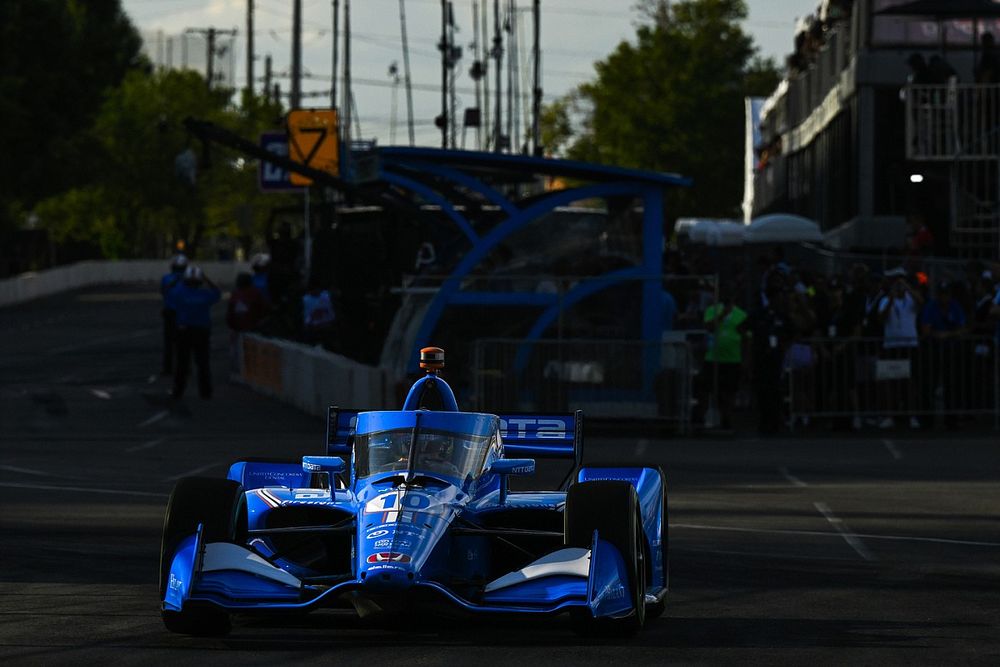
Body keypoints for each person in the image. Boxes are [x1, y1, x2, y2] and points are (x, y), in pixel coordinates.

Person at [878, 273, 923, 429]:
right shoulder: (885, 300)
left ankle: (912, 415)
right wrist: (891, 298)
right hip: (891, 345)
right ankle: (890, 415)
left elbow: (920, 302)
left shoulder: (910, 300)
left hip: (909, 345)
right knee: (891, 381)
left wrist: (907, 288)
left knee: (910, 381)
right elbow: (881, 318)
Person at [169, 266, 222, 400]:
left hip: (184, 331)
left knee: (182, 363)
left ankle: (178, 391)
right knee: (203, 362)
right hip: (201, 331)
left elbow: (167, 291)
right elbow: (217, 292)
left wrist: (179, 279)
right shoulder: (205, 294)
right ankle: (205, 392)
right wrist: (207, 279)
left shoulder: (179, 293)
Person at [920, 281, 967, 429]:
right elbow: (925, 329)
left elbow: (962, 328)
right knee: (930, 382)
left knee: (951, 383)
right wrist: (937, 335)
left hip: (951, 350)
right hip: (932, 349)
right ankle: (927, 419)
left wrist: (947, 334)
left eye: (946, 294)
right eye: (941, 294)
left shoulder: (955, 306)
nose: (944, 298)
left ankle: (951, 418)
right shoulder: (931, 306)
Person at [703, 289, 747, 430]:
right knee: (712, 388)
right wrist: (722, 315)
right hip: (713, 358)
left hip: (733, 359)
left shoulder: (741, 314)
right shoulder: (712, 310)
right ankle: (710, 417)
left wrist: (746, 360)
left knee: (730, 390)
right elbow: (708, 327)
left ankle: (727, 418)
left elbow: (746, 338)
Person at [226, 272, 269, 372]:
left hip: (241, 328)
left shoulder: (236, 294)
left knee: (239, 353)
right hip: (251, 328)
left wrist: (232, 326)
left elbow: (230, 313)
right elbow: (264, 309)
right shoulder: (255, 293)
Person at [159, 254, 188, 375]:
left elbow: (163, 291)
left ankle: (168, 368)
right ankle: (185, 367)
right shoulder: (188, 279)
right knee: (184, 342)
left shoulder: (166, 278)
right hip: (184, 313)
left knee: (169, 342)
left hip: (170, 313)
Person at [302, 280, 336, 347]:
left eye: (318, 289)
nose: (318, 291)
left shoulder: (325, 296)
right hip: (312, 324)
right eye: (316, 289)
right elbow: (308, 314)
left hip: (324, 323)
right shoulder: (306, 299)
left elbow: (325, 312)